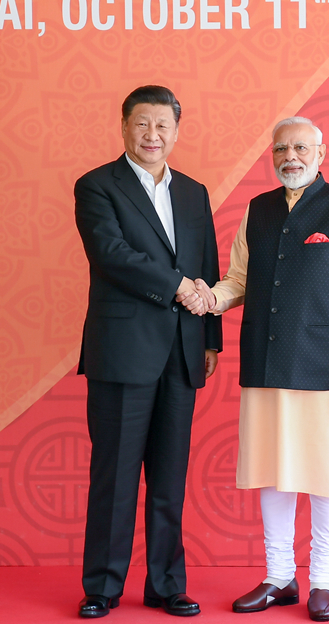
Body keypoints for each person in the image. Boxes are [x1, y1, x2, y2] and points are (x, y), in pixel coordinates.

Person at [181, 116, 329, 622]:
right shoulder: (259, 210)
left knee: (326, 475)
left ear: (320, 154)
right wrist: (210, 298)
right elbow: (239, 280)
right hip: (265, 362)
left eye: (300, 148)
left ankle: (322, 582)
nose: (290, 157)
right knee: (273, 471)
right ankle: (279, 577)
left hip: (326, 369)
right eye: (281, 150)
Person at [74, 85, 222, 618]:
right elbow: (111, 255)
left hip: (182, 352)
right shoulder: (97, 186)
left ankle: (166, 585)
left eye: (162, 125)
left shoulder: (194, 192)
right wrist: (178, 286)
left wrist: (210, 339)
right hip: (122, 352)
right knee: (114, 477)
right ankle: (102, 587)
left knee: (169, 478)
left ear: (176, 132)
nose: (152, 135)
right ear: (124, 127)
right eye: (142, 124)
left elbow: (207, 262)